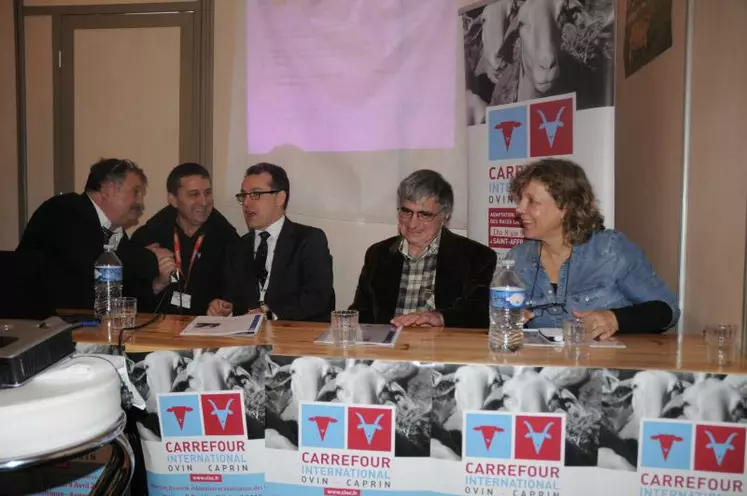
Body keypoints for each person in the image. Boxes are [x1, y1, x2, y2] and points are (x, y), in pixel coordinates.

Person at [507, 158, 680, 339]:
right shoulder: (517, 259)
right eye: (520, 201)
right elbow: (494, 320)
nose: (519, 209)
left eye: (532, 201)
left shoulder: (610, 250)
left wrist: (614, 319)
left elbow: (666, 310)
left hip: (606, 365)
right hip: (542, 366)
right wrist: (512, 319)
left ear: (565, 207)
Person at [351, 169, 497, 328]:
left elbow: (480, 313)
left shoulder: (476, 257)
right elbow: (362, 314)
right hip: (388, 350)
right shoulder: (378, 254)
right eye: (406, 212)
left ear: (445, 216)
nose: (412, 224)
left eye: (424, 215)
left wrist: (440, 318)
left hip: (442, 349)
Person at [16, 158, 168, 310]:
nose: (141, 203)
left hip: (82, 325)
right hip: (36, 324)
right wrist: (152, 258)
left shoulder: (116, 233)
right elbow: (96, 264)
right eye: (135, 192)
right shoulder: (65, 209)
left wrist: (156, 285)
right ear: (109, 190)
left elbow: (120, 291)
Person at [208, 162, 334, 321]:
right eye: (243, 196)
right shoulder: (238, 246)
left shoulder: (309, 240)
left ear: (280, 197)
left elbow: (318, 298)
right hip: (247, 341)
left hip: (294, 339)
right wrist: (226, 309)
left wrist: (270, 314)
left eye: (255, 194)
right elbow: (234, 299)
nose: (246, 203)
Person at [130, 163, 239, 315]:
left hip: (205, 332)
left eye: (207, 193)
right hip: (157, 331)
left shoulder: (227, 238)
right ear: (173, 199)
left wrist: (224, 306)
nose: (204, 201)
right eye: (194, 194)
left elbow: (237, 293)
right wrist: (157, 285)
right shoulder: (148, 237)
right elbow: (129, 296)